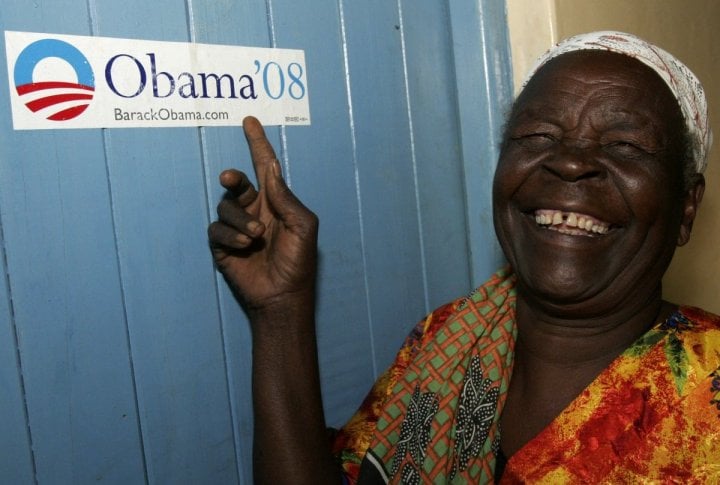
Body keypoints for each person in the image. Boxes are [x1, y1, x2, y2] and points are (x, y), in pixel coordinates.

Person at [207, 31, 719, 484]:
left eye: (626, 144)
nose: (569, 161)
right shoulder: (443, 339)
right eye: (538, 136)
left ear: (685, 208)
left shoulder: (708, 395)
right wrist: (281, 313)